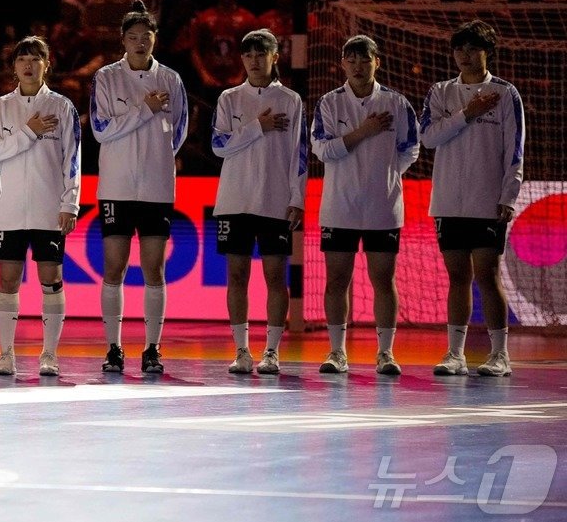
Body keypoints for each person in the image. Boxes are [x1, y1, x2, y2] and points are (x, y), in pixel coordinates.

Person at [311, 35, 419, 375]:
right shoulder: (329, 103)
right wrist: (365, 131)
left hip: (383, 207)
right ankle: (337, 352)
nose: (358, 66)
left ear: (377, 63)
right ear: (343, 64)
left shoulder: (397, 103)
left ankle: (385, 353)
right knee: (336, 280)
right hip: (339, 206)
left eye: (365, 60)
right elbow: (323, 150)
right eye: (352, 60)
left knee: (383, 279)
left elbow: (410, 149)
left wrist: (383, 175)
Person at [91, 0, 189, 375]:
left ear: (154, 39)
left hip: (156, 187)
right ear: (123, 40)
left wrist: (156, 156)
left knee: (154, 270)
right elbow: (101, 129)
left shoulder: (171, 79)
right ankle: (114, 347)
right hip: (116, 187)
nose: (139, 43)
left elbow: (178, 132)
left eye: (145, 37)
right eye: (132, 37)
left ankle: (152, 348)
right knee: (113, 268)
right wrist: (143, 110)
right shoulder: (106, 78)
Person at [422, 21, 524, 378]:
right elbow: (429, 138)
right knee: (457, 276)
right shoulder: (440, 92)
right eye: (460, 49)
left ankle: (500, 355)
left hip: (487, 201)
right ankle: (455, 354)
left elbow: (515, 150)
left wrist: (508, 196)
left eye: (473, 49)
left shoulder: (506, 93)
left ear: (487, 52)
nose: (464, 55)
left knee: (487, 274)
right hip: (448, 201)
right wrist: (468, 113)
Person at [211, 29, 306, 376]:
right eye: (248, 55)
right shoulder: (229, 98)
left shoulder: (291, 101)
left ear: (274, 57)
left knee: (275, 276)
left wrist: (297, 198)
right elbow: (218, 145)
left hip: (274, 201)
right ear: (242, 60)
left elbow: (300, 153)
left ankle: (271, 351)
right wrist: (257, 126)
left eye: (261, 54)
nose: (254, 60)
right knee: (236, 275)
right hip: (234, 201)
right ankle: (241, 351)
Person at [0, 36, 80, 377]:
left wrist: (70, 203)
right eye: (22, 59)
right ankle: (6, 354)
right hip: (9, 208)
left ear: (47, 64)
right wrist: (29, 131)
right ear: (13, 67)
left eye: (35, 59)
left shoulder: (62, 106)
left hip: (48, 207)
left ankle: (49, 354)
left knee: (51, 279)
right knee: (7, 281)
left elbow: (72, 157)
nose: (28, 65)